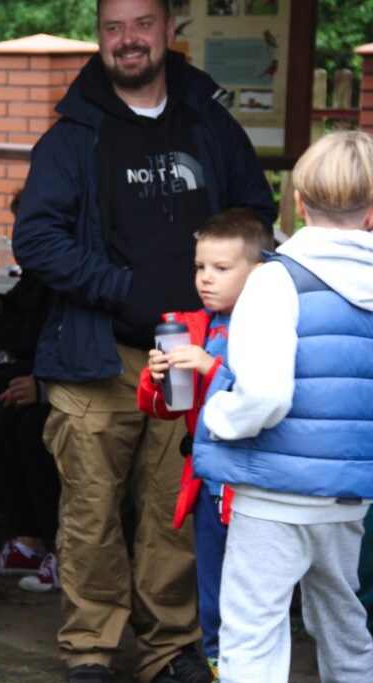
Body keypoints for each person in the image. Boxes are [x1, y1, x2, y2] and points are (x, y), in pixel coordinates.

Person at [11, 0, 277, 680]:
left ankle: (170, 648)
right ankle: (91, 649)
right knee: (91, 513)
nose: (127, 40)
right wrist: (121, 287)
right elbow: (36, 238)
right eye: (113, 27)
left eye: (141, 24)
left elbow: (257, 215)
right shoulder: (73, 135)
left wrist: (223, 290)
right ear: (101, 37)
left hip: (192, 355)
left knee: (173, 509)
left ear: (168, 29)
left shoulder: (209, 122)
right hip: (100, 355)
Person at [194, 131, 373, 682]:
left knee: (252, 635)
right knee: (345, 627)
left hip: (270, 493)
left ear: (297, 201)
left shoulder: (276, 281)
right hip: (347, 496)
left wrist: (218, 419)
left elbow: (264, 394)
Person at [136, 208, 272, 680]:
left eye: (221, 268)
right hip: (208, 489)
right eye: (199, 267)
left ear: (256, 274)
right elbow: (165, 408)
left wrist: (210, 369)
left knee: (254, 600)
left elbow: (264, 399)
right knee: (211, 595)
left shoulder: (271, 326)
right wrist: (155, 380)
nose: (205, 279)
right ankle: (218, 667)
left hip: (255, 487)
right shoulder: (193, 325)